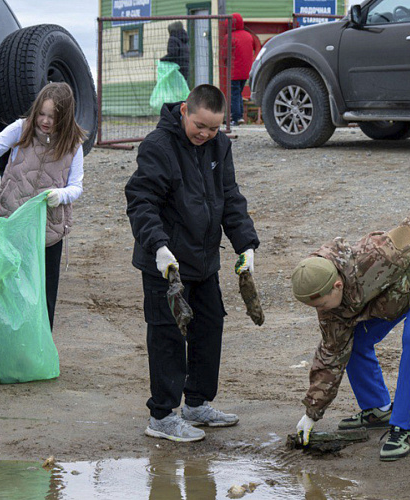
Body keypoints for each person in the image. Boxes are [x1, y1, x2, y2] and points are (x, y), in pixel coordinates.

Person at [292, 168, 410, 461]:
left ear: (336, 284)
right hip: (394, 297)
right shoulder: (330, 307)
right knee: (352, 342)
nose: (320, 313)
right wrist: (311, 414)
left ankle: (405, 428)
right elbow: (331, 356)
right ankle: (378, 409)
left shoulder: (381, 254)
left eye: (321, 304)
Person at [125, 84, 260, 442]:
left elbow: (230, 198)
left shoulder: (219, 146)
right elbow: (141, 201)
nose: (206, 134)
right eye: (201, 125)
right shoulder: (158, 146)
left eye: (214, 128)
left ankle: (196, 404)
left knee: (209, 327)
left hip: (204, 261)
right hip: (165, 264)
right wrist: (157, 247)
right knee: (167, 335)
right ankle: (162, 416)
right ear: (185, 110)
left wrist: (246, 244)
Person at [0, 82, 88, 331]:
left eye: (53, 117)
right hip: (11, 223)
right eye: (42, 114)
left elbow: (76, 187)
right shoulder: (21, 128)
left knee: (44, 293)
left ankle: (40, 351)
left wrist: (61, 195)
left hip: (48, 232)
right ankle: (7, 344)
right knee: (8, 287)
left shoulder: (73, 144)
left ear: (65, 117)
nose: (45, 121)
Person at [229, 13, 256, 126]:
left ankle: (236, 117)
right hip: (246, 71)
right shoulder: (248, 36)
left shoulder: (229, 37)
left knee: (234, 94)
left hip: (234, 71)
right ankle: (239, 116)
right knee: (238, 93)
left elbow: (225, 56)